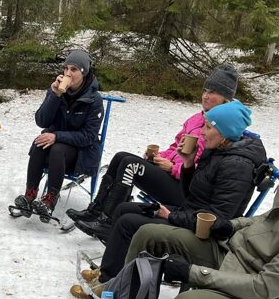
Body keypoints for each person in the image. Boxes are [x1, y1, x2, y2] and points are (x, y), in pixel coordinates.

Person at [73, 108, 279, 299]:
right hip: (232, 253)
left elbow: (266, 288)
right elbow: (266, 220)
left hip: (256, 297)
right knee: (150, 233)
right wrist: (231, 225)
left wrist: (191, 273)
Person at [70, 99, 266, 299]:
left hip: (205, 235)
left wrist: (170, 216)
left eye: (208, 128)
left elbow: (218, 218)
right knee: (123, 209)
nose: (202, 132)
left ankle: (110, 286)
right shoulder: (218, 150)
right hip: (190, 214)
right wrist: (189, 164)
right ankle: (110, 272)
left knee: (129, 223)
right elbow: (191, 194)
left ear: (224, 133)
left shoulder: (237, 165)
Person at [68, 64, 238, 236]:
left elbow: (202, 167)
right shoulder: (196, 118)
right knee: (121, 157)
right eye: (205, 90)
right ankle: (97, 210)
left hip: (184, 188)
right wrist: (159, 156)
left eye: (212, 92)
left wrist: (173, 168)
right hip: (171, 174)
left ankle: (109, 221)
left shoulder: (220, 130)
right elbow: (176, 146)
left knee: (130, 165)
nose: (205, 96)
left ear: (226, 100)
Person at [12, 49, 105, 223]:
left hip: (81, 153)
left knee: (57, 148)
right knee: (40, 141)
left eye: (74, 70)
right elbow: (41, 121)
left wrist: (56, 136)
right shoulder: (57, 90)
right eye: (66, 68)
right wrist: (55, 96)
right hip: (56, 146)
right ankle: (29, 195)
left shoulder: (94, 100)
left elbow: (88, 137)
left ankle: (49, 200)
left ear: (83, 72)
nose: (68, 73)